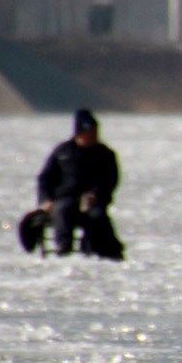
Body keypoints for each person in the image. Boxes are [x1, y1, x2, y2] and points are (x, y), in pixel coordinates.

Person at [33, 108, 124, 260]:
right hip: (65, 198)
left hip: (93, 201)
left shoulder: (105, 154)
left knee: (98, 217)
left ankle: (98, 250)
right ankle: (63, 250)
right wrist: (45, 200)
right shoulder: (63, 152)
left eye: (95, 131)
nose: (93, 135)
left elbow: (110, 180)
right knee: (63, 210)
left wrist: (96, 194)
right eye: (90, 131)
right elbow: (45, 178)